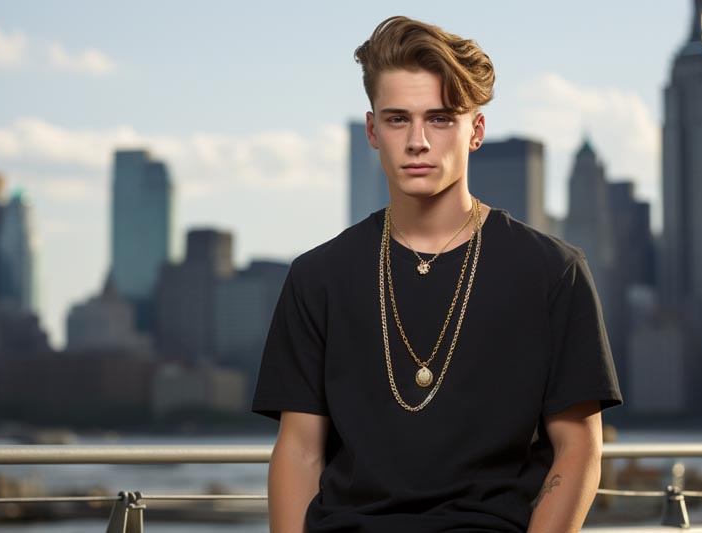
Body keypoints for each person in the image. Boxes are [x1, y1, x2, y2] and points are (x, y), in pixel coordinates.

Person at [252, 15, 622, 533]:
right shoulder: (318, 276)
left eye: (441, 118)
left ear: (476, 130)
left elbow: (579, 448)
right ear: (373, 130)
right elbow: (298, 451)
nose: (418, 141)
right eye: (398, 119)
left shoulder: (552, 272)